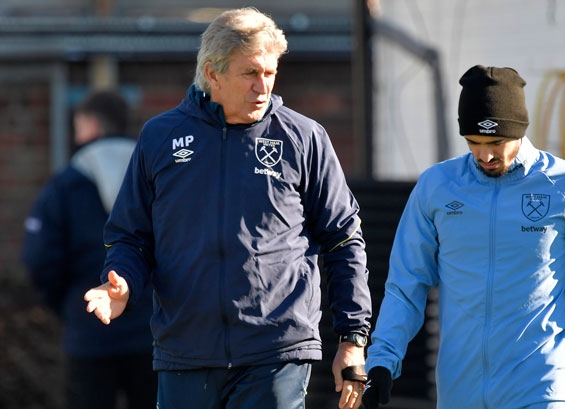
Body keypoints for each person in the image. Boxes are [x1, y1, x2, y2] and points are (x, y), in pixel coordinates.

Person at [82, 8, 372, 409]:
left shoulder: (303, 138)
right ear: (212, 74)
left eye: (270, 73)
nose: (263, 86)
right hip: (185, 353)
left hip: (276, 353)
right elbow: (131, 237)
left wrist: (353, 338)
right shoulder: (160, 138)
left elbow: (344, 240)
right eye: (250, 73)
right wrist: (124, 284)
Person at [362, 66, 565, 409]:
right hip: (460, 392)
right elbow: (406, 285)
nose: (485, 155)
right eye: (473, 143)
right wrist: (382, 360)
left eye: (496, 142)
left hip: (542, 388)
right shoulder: (436, 187)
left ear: (519, 131)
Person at [22, 90, 156, 409]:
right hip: (155, 332)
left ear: (91, 125)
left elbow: (39, 258)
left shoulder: (66, 184)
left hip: (90, 333)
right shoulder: (157, 176)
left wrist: (67, 305)